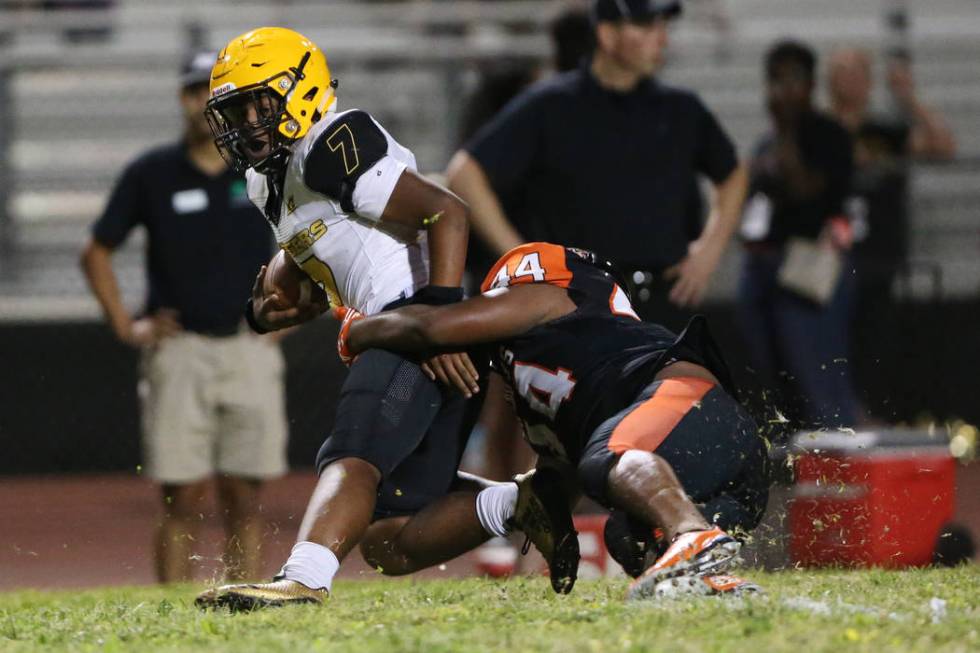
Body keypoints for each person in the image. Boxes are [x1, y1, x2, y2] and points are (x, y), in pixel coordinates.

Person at [193, 27, 572, 610]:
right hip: (413, 326)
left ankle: (304, 577)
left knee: (352, 456)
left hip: (418, 321)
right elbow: (323, 267)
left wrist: (440, 320)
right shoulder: (267, 179)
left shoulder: (332, 140)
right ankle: (525, 502)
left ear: (301, 91)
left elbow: (447, 212)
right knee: (388, 537)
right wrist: (276, 301)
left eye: (258, 103)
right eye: (235, 110)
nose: (245, 122)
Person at [334, 242, 770, 598]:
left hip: (684, 402)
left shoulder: (546, 295)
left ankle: (692, 534)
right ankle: (714, 583)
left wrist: (356, 329)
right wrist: (535, 510)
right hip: (721, 461)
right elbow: (552, 490)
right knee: (627, 537)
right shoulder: (554, 382)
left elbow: (430, 327)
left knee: (604, 458)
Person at [79, 51, 288, 583]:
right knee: (182, 497)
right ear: (183, 98)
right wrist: (127, 325)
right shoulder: (152, 173)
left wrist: (290, 315)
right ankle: (173, 614)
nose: (204, 102)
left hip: (248, 345)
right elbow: (96, 250)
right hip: (180, 350)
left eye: (215, 92)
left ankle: (247, 606)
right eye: (197, 91)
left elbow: (312, 241)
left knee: (245, 494)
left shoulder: (263, 166)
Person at [446, 0, 748, 330]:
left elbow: (732, 173)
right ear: (607, 34)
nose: (662, 39)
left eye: (663, 27)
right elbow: (465, 174)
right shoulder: (552, 105)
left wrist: (708, 252)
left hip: (666, 303)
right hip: (582, 307)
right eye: (647, 27)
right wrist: (526, 262)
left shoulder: (681, 109)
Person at [826, 47, 957, 420]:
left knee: (875, 343)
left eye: (855, 72)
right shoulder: (818, 128)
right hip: (828, 261)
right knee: (829, 344)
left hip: (879, 258)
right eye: (841, 72)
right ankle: (836, 416)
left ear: (868, 81)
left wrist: (908, 98)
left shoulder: (885, 130)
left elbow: (943, 145)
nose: (848, 80)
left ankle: (871, 416)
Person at [736, 40, 858, 428]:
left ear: (810, 84)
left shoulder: (828, 135)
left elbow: (805, 189)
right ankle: (800, 462)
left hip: (808, 269)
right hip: (763, 267)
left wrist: (787, 133)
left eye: (792, 80)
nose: (782, 91)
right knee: (775, 375)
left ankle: (840, 466)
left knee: (817, 372)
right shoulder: (767, 142)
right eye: (775, 81)